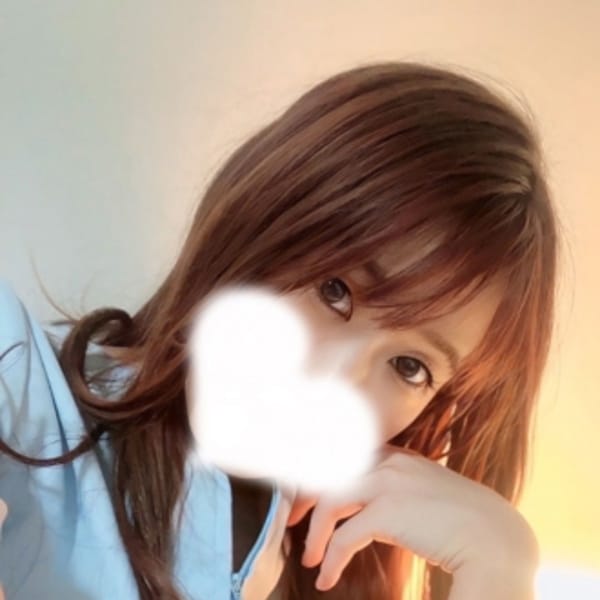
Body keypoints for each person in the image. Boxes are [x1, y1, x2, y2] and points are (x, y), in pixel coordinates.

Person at [0, 60, 561, 600]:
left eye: (409, 367)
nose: (339, 384)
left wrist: (498, 565)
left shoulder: (324, 558)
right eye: (334, 291)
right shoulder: (24, 392)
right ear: (256, 224)